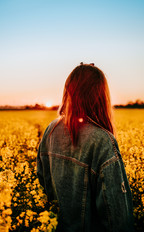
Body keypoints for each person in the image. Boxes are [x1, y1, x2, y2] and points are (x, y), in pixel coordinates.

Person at [37, 63, 134, 232]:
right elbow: (116, 216)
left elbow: (43, 184)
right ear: (100, 96)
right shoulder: (103, 140)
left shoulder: (50, 130)